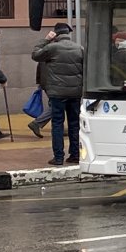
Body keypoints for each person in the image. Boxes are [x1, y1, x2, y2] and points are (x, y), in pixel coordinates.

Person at [33, 22, 84, 166]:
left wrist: (45, 40)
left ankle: (59, 157)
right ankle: (75, 155)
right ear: (68, 34)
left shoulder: (52, 48)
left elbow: (35, 55)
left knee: (57, 124)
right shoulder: (79, 48)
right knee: (75, 124)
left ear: (55, 34)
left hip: (57, 93)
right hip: (75, 93)